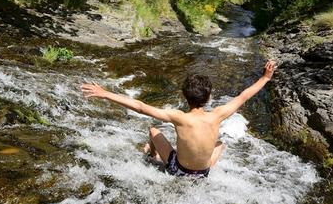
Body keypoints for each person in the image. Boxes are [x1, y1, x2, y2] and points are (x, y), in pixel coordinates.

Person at [81, 60, 277, 178]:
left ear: (185, 96)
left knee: (153, 131)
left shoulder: (178, 117)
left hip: (178, 171)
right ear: (208, 98)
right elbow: (244, 95)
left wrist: (105, 93)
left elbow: (140, 107)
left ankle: (152, 155)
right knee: (220, 144)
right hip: (203, 174)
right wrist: (266, 78)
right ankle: (198, 165)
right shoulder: (218, 114)